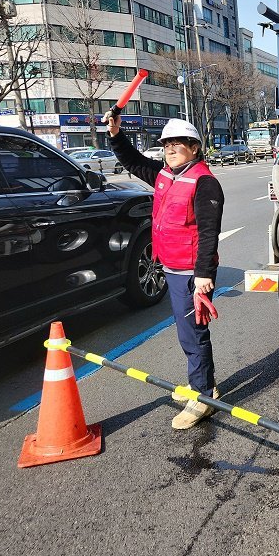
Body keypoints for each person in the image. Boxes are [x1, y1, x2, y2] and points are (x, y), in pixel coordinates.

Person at [105, 115, 225, 430]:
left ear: (194, 148)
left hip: (191, 272)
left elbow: (209, 232)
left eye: (177, 144)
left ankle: (202, 397)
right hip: (172, 266)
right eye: (167, 144)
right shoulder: (165, 174)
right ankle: (206, 385)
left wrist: (203, 273)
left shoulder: (204, 182)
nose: (170, 150)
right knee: (189, 332)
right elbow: (133, 161)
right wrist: (116, 134)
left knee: (192, 334)